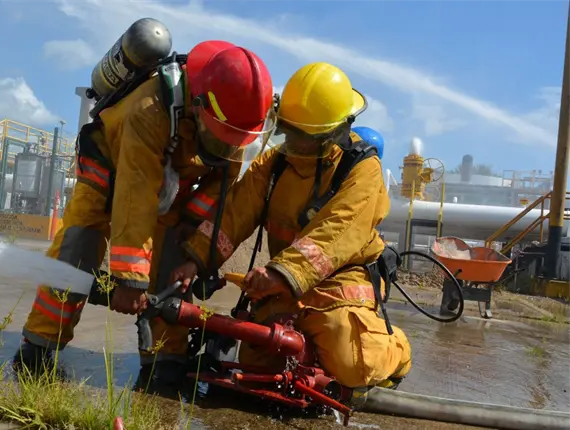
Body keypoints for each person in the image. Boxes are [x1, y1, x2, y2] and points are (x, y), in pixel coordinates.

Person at [12, 40, 276, 397]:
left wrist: (190, 238)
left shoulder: (236, 117)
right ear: (199, 108)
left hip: (169, 180)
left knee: (170, 258)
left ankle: (165, 363)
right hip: (110, 166)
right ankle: (38, 349)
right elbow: (135, 196)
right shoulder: (148, 109)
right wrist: (129, 280)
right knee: (78, 247)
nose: (230, 147)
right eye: (221, 138)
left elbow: (220, 184)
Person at [171, 62, 412, 403]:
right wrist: (196, 258)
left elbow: (336, 232)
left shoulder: (361, 169)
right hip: (286, 278)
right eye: (288, 130)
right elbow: (235, 213)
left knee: (351, 363)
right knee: (259, 362)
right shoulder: (274, 164)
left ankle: (397, 350)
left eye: (301, 136)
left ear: (332, 132)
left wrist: (279, 274)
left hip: (341, 281)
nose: (291, 142)